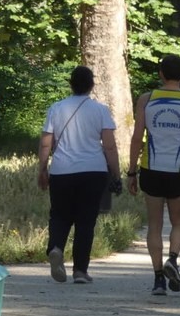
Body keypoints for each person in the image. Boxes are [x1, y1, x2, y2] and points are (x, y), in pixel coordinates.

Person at [128, 55, 180, 296]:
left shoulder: (147, 99)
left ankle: (158, 280)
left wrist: (132, 171)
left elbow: (136, 138)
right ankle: (172, 259)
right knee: (179, 223)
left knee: (154, 226)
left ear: (161, 74)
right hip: (179, 171)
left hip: (151, 169)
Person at [37, 66, 120, 284]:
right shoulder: (100, 110)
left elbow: (47, 142)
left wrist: (42, 168)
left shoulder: (56, 108)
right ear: (92, 85)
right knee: (86, 220)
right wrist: (117, 174)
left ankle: (56, 247)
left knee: (59, 215)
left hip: (62, 170)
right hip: (93, 171)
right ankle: (80, 271)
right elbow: (110, 146)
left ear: (70, 84)